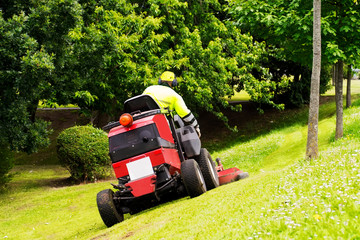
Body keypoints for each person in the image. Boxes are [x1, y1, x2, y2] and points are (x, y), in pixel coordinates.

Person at [143, 71, 201, 137]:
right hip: (162, 127)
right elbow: (186, 114)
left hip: (144, 125)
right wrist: (196, 127)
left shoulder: (148, 89)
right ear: (174, 83)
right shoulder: (174, 95)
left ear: (160, 81)